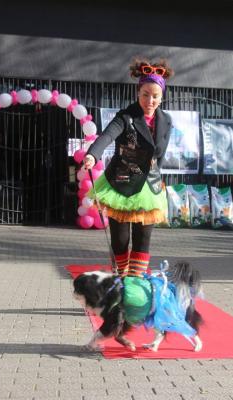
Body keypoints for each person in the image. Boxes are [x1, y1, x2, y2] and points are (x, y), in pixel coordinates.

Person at [82, 58, 173, 282]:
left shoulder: (166, 121)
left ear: (161, 97)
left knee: (143, 239)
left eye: (155, 96)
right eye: (145, 94)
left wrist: (157, 179)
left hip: (149, 186)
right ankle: (120, 282)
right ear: (137, 93)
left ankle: (134, 285)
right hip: (121, 182)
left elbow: (159, 156)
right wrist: (93, 154)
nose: (149, 100)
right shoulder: (126, 117)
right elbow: (107, 136)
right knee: (120, 240)